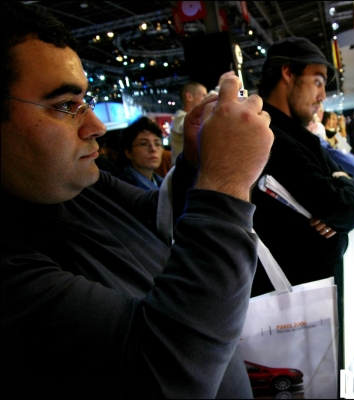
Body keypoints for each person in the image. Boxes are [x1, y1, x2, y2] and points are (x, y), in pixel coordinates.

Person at [1, 2, 274, 398]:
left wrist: (197, 163)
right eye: (64, 106)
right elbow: (169, 373)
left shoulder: (77, 186)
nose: (95, 126)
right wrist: (226, 181)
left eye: (85, 102)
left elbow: (155, 217)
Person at [253, 36, 354, 370]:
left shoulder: (295, 134)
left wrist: (342, 187)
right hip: (298, 303)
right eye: (317, 82)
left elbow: (350, 192)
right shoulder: (272, 137)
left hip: (313, 297)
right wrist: (342, 195)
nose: (322, 96)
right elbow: (345, 208)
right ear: (288, 74)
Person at [118, 116, 165, 190]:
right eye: (143, 143)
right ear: (128, 153)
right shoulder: (123, 188)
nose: (153, 149)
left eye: (157, 143)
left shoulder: (163, 183)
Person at [170, 81, 207, 165]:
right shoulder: (179, 119)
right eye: (204, 95)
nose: (206, 99)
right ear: (189, 97)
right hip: (183, 176)